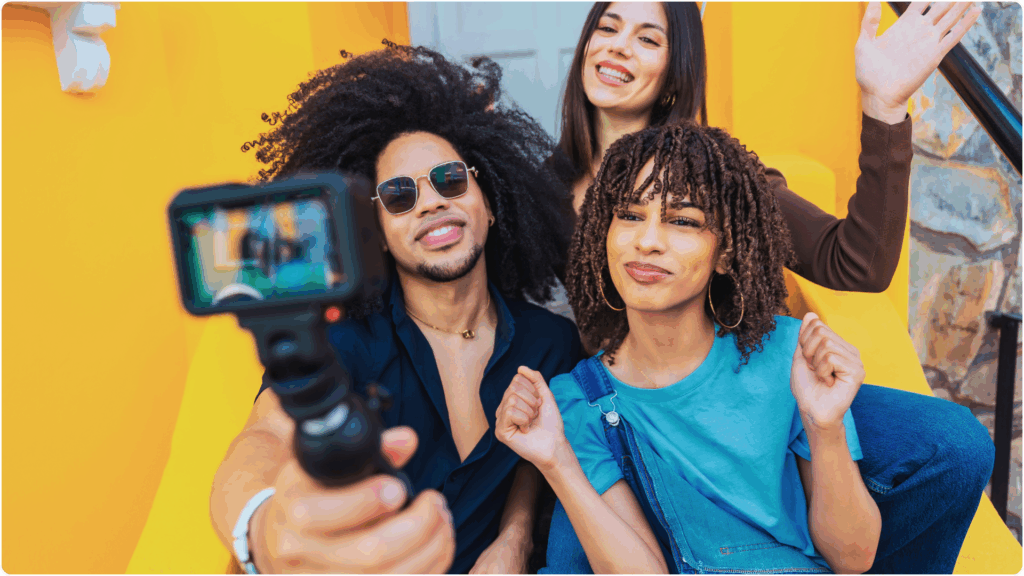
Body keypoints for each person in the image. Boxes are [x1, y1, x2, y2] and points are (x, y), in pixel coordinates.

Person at [536, 2, 993, 572]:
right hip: (620, 421)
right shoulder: (537, 193)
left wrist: (884, 108)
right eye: (606, 27)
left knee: (953, 445)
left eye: (648, 38)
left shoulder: (720, 177)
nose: (619, 46)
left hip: (743, 396)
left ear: (677, 69)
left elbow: (857, 263)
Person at [210, 46, 581, 573]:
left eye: (450, 180)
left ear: (491, 202)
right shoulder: (344, 341)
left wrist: (514, 538)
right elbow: (264, 438)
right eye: (400, 196)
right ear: (376, 234)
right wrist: (263, 530)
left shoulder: (551, 343)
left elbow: (535, 457)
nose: (431, 202)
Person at [499, 120, 893, 573]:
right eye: (629, 215)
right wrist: (556, 463)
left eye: (682, 221)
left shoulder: (790, 356)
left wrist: (825, 428)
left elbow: (855, 558)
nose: (647, 241)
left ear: (725, 253)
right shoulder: (578, 398)